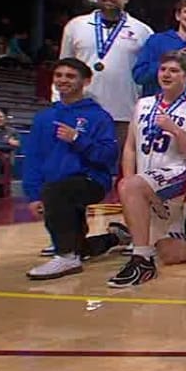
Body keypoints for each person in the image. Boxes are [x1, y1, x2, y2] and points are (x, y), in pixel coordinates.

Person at [107, 52, 186, 287]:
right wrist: (129, 181)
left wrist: (175, 129)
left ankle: (141, 260)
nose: (166, 74)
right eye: (163, 69)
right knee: (170, 253)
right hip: (146, 178)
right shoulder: (143, 104)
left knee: (133, 189)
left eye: (174, 70)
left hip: (179, 174)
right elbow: (130, 148)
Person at [22, 59, 120, 280]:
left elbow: (108, 156)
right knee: (78, 245)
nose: (63, 80)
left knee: (58, 192)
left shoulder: (99, 117)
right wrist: (33, 195)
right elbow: (34, 158)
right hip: (55, 185)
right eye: (59, 75)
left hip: (90, 179)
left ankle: (65, 257)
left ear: (85, 81)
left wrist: (78, 139)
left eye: (70, 76)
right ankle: (113, 238)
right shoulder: (44, 118)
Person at [58, 0, 153, 146]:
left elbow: (148, 73)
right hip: (80, 108)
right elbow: (63, 66)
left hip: (124, 112)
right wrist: (57, 100)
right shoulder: (76, 25)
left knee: (115, 166)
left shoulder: (143, 31)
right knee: (76, 163)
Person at [133, 0, 186, 102]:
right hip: (156, 107)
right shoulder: (156, 41)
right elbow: (139, 76)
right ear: (178, 16)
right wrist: (169, 61)